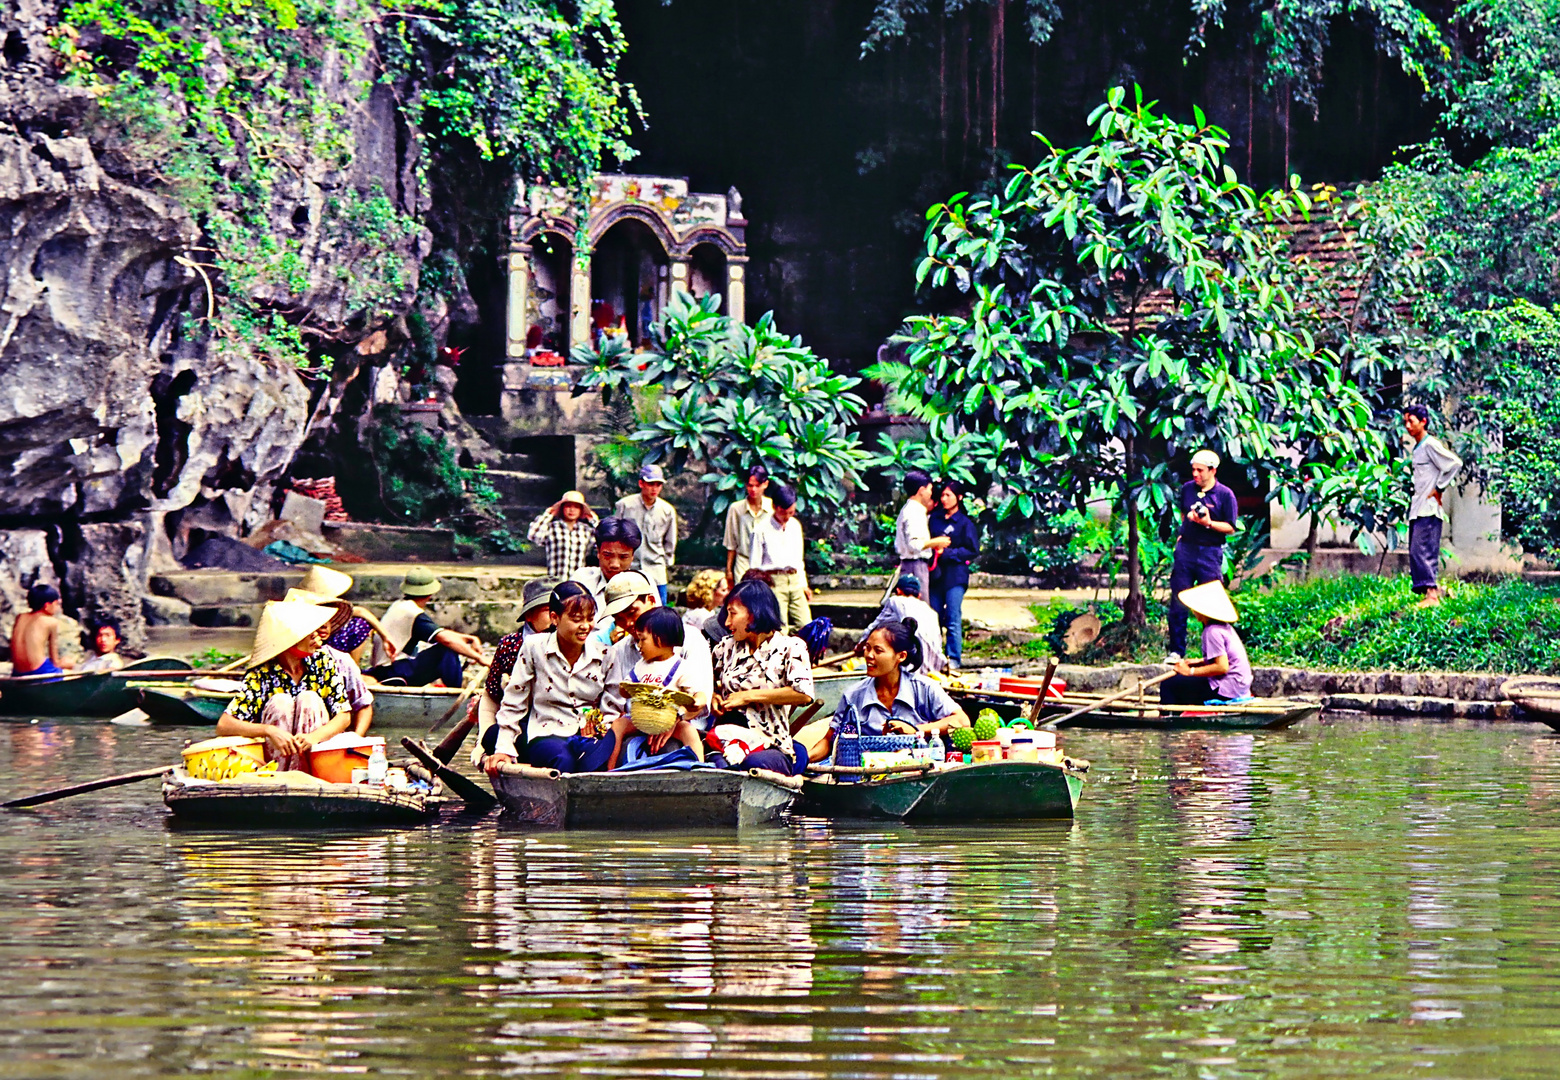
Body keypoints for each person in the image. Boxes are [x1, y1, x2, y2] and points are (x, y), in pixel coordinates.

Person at [484, 586, 611, 775]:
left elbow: (612, 703)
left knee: (599, 762)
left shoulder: (606, 653)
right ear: (555, 618)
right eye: (576, 620)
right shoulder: (534, 647)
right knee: (562, 760)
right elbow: (514, 700)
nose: (585, 626)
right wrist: (503, 748)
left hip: (589, 734)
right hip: (547, 730)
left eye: (590, 618)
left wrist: (600, 725)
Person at [215, 600, 352, 771]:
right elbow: (224, 725)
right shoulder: (262, 672)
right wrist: (269, 731)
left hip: (316, 758)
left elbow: (344, 716)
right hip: (275, 762)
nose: (317, 639)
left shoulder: (323, 660)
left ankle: (307, 774)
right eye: (311, 634)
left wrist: (313, 737)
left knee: (309, 698)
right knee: (281, 702)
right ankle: (281, 775)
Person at [814, 618, 969, 761]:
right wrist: (803, 760)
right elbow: (829, 740)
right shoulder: (853, 695)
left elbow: (962, 721)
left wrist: (916, 730)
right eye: (867, 648)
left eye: (878, 650)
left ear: (901, 656)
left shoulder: (924, 688)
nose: (869, 655)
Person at [709, 579, 814, 776]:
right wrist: (713, 696)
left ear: (754, 613)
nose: (727, 623)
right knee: (717, 767)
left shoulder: (791, 647)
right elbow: (706, 684)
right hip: (726, 739)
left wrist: (748, 696)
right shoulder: (724, 648)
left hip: (770, 743)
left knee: (753, 764)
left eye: (733, 614)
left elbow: (804, 694)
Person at [598, 570, 714, 725]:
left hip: (683, 727)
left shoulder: (691, 638)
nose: (628, 623)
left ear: (651, 600)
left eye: (632, 613)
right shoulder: (619, 650)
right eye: (619, 619)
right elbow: (613, 705)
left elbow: (699, 700)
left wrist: (672, 720)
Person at [604, 607, 709, 769]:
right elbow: (626, 687)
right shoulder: (641, 665)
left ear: (659, 640)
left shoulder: (680, 667)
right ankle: (610, 771)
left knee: (688, 731)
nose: (638, 645)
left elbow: (698, 692)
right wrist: (626, 690)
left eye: (642, 640)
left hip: (668, 721)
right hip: (640, 719)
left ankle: (700, 769)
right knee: (618, 725)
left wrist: (697, 701)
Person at [1166, 449, 1239, 663]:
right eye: (1193, 470)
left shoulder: (1225, 494)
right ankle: (1177, 650)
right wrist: (1186, 527)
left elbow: (1230, 527)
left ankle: (1215, 652)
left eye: (1200, 470)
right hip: (1186, 549)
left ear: (1212, 470)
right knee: (1179, 599)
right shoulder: (1188, 489)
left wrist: (1208, 523)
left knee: (1212, 602)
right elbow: (1182, 512)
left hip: (1210, 551)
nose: (1195, 474)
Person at [366, 567, 487, 687]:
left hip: (387, 669)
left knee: (447, 648)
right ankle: (455, 693)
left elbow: (441, 633)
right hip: (392, 672)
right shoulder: (412, 612)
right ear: (430, 594)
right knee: (447, 650)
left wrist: (470, 638)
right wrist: (479, 658)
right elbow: (446, 640)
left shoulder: (400, 606)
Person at [285, 588, 375, 736]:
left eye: (328, 620)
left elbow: (359, 707)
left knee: (309, 699)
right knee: (280, 703)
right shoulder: (270, 666)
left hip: (322, 743)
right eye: (318, 621)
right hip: (280, 743)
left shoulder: (335, 661)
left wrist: (356, 739)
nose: (325, 626)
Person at [1404, 404, 1463, 607]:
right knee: (1415, 550)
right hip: (1418, 507)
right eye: (1406, 422)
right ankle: (1434, 590)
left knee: (1422, 549)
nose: (1407, 426)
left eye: (1411, 421)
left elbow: (1455, 463)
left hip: (1428, 509)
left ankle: (1432, 596)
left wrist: (1439, 488)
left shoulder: (1430, 444)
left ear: (1423, 422)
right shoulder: (1418, 448)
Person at [1161, 581, 1252, 706]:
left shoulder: (1212, 632)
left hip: (1227, 688)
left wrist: (1190, 671)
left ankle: (1168, 720)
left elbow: (1222, 667)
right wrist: (1199, 662)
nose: (1193, 611)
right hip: (1239, 686)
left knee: (1169, 684)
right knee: (1181, 684)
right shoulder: (1224, 628)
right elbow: (1223, 659)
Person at [928, 480, 980, 669]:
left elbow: (973, 550)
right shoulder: (934, 519)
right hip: (935, 576)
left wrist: (949, 553)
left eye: (948, 495)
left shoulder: (965, 523)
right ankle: (934, 657)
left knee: (952, 616)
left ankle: (954, 659)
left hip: (956, 576)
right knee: (933, 617)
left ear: (959, 497)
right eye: (942, 495)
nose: (944, 499)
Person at [747, 483, 812, 632]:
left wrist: (803, 583)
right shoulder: (760, 529)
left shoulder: (795, 526)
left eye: (792, 512)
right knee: (779, 628)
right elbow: (754, 565)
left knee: (806, 625)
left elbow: (798, 558)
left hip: (794, 580)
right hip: (773, 581)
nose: (788, 517)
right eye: (784, 513)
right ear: (775, 507)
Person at [614, 464, 679, 603]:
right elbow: (614, 534)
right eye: (650, 484)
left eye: (658, 484)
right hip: (629, 569)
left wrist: (665, 562)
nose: (654, 488)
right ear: (641, 483)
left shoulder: (667, 510)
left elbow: (670, 541)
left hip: (656, 570)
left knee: (658, 610)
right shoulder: (624, 505)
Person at [859, 575, 946, 673]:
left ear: (898, 591)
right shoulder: (931, 612)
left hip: (911, 667)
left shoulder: (895, 601)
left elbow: (874, 628)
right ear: (919, 595)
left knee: (861, 668)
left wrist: (860, 646)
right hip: (934, 666)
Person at [894, 470, 951, 601]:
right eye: (929, 489)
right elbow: (915, 544)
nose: (931, 493)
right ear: (921, 490)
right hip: (916, 565)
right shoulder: (914, 511)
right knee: (919, 607)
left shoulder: (910, 509)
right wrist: (937, 542)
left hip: (912, 564)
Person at [571, 516, 642, 617]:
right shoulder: (582, 580)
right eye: (607, 555)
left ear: (632, 556)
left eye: (623, 557)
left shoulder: (643, 585)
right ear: (598, 552)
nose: (615, 564)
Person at [527, 491, 599, 579]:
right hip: (555, 580)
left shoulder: (586, 530)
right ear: (562, 508)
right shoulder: (552, 528)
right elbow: (533, 535)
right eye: (568, 506)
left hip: (578, 582)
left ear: (581, 511)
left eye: (576, 507)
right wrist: (548, 514)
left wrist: (594, 520)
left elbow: (601, 541)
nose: (572, 510)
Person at [723, 464, 772, 586]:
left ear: (765, 484)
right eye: (750, 485)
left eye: (757, 485)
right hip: (743, 563)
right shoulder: (736, 509)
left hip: (767, 564)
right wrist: (729, 571)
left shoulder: (773, 508)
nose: (753, 490)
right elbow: (731, 543)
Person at [10, 583, 73, 676]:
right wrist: (66, 663)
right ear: (47, 606)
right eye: (56, 604)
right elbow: (55, 661)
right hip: (38, 671)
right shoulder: (51, 621)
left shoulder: (20, 617)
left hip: (17, 672)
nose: (57, 608)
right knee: (71, 668)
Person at [682, 569, 728, 639]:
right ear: (711, 592)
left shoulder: (708, 611)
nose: (728, 593)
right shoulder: (701, 615)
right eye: (723, 590)